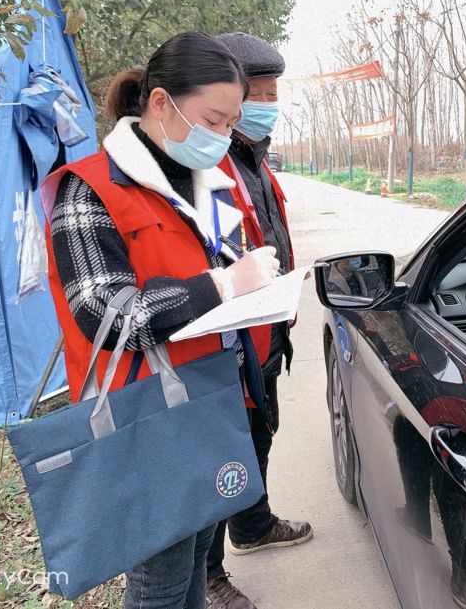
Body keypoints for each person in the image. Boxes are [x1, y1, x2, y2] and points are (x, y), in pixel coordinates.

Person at [41, 32, 280, 609]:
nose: (222, 137)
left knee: (197, 557)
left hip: (212, 398)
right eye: (213, 120)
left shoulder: (214, 182)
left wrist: (260, 282)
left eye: (231, 124)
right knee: (160, 584)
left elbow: (233, 260)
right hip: (143, 414)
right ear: (160, 104)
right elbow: (104, 316)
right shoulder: (89, 189)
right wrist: (222, 284)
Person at [203, 32, 311, 609]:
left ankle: (253, 525)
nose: (268, 105)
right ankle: (210, 573)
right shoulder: (214, 168)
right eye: (258, 94)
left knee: (259, 434)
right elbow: (223, 255)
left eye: (274, 93)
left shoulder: (256, 160)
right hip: (233, 341)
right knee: (227, 448)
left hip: (269, 332)